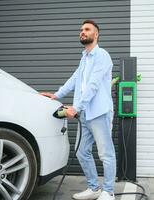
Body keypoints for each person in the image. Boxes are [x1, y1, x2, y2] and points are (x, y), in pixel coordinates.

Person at [40, 20, 116, 200]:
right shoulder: (84, 57)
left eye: (87, 29)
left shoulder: (102, 55)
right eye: (81, 29)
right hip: (85, 115)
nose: (82, 32)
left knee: (106, 153)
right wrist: (57, 95)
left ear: (96, 34)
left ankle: (109, 192)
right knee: (82, 152)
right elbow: (75, 79)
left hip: (99, 113)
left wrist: (76, 107)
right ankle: (94, 188)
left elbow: (93, 85)